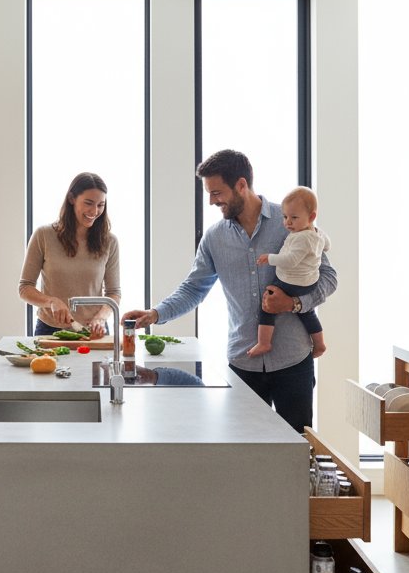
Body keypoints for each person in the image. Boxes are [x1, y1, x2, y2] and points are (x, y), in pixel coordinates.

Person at [122, 149, 336, 433]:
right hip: (242, 362)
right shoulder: (214, 237)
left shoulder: (292, 223)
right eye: (209, 194)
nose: (212, 201)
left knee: (294, 455)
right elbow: (194, 288)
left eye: (217, 193)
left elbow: (328, 278)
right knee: (243, 457)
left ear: (241, 185)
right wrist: (155, 314)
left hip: (293, 362)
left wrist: (294, 303)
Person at [19, 172, 121, 337]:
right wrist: (51, 301)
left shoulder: (110, 241)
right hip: (49, 329)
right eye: (88, 203)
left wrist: (101, 319)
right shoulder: (44, 235)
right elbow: (24, 288)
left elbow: (114, 293)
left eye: (101, 205)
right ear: (71, 199)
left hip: (95, 330)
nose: (94, 211)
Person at [249, 186, 330, 359]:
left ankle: (264, 342)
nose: (287, 223)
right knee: (307, 312)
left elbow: (290, 260)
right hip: (309, 281)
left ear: (311, 217)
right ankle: (319, 344)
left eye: (294, 218)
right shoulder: (316, 232)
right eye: (285, 217)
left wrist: (269, 258)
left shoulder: (301, 238)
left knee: (268, 305)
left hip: (292, 282)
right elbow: (327, 245)